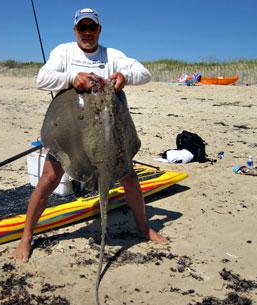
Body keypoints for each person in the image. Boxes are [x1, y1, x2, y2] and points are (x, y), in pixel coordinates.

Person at [14, 8, 168, 262]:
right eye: (82, 28)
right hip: (72, 132)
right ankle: (26, 236)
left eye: (92, 28)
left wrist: (124, 76)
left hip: (109, 130)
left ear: (99, 30)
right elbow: (42, 78)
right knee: (50, 178)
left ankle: (144, 228)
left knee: (128, 175)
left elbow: (145, 73)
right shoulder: (64, 51)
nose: (87, 33)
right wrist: (72, 78)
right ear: (75, 30)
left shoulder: (111, 55)